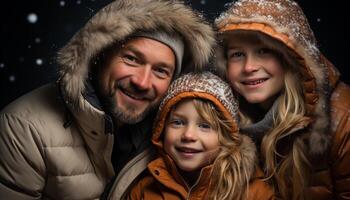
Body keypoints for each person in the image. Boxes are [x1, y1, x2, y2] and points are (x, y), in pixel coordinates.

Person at [0, 0, 215, 199]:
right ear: (98, 56)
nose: (142, 82)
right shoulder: (23, 129)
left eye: (161, 71)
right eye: (131, 59)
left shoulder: (170, 135)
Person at [214, 0, 350, 199]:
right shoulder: (221, 120)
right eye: (237, 54)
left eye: (263, 51)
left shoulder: (343, 120)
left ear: (291, 58)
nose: (249, 67)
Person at [127, 72, 274, 200]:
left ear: (226, 136)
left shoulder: (254, 192)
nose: (188, 135)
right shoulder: (143, 190)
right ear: (162, 129)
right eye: (177, 122)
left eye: (205, 126)